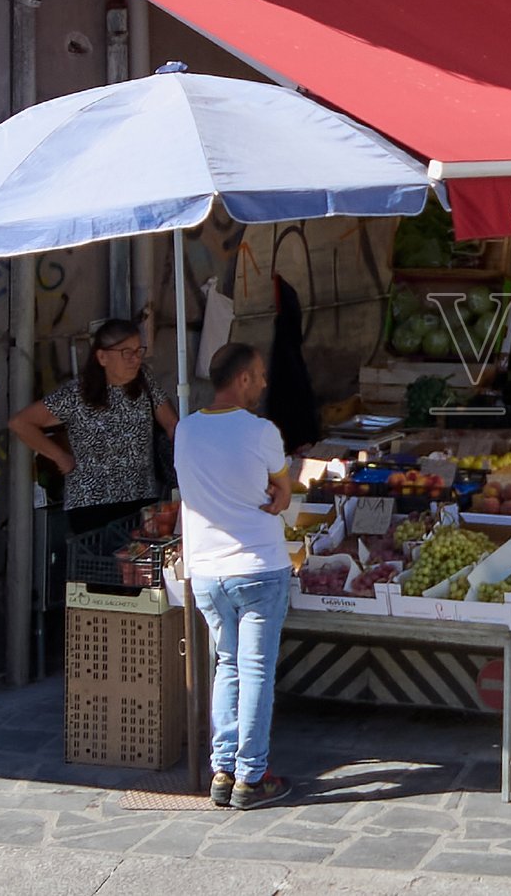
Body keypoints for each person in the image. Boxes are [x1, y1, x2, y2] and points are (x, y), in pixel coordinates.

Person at [175, 342, 295, 810]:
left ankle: (222, 770)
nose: (264, 384)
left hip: (206, 570)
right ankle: (252, 776)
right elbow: (282, 488)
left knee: (227, 665)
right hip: (258, 567)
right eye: (260, 375)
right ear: (242, 378)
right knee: (256, 671)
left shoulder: (186, 429)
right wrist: (276, 495)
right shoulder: (261, 430)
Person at [10, 318, 178, 533]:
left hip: (141, 497)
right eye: (126, 352)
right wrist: (60, 456)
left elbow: (171, 423)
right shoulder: (77, 393)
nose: (135, 359)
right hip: (91, 503)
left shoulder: (145, 382)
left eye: (138, 351)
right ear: (102, 356)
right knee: (98, 564)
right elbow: (21, 423)